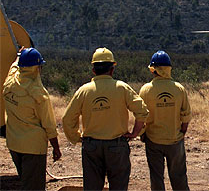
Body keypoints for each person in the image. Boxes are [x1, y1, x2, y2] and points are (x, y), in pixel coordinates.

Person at [62, 47, 149, 191]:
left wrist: (77, 138)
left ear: (93, 70)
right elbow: (142, 111)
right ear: (112, 69)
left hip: (91, 147)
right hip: (117, 146)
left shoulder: (84, 91)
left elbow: (67, 119)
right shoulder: (122, 88)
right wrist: (135, 133)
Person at [2, 47, 61, 190]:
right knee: (33, 187)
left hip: (14, 143)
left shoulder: (10, 82)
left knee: (25, 180)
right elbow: (49, 125)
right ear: (37, 68)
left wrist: (19, 56)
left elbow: (13, 67)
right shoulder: (39, 94)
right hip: (33, 148)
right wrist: (56, 148)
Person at [139, 50, 192, 191]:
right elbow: (186, 114)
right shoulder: (179, 89)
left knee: (156, 177)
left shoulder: (145, 90)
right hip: (175, 140)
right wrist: (182, 131)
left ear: (153, 70)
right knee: (179, 176)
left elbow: (142, 116)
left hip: (153, 140)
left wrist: (142, 133)